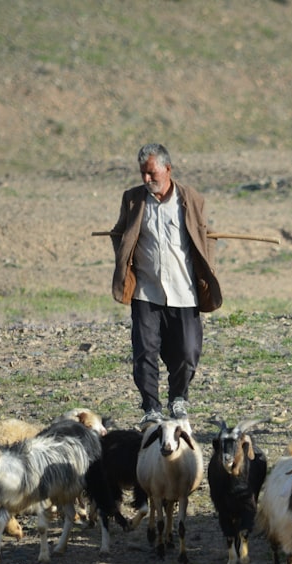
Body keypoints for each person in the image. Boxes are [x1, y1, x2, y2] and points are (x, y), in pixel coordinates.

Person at [110, 143, 222, 426]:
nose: (146, 180)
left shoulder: (191, 199)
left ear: (167, 169)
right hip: (147, 291)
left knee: (187, 351)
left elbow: (205, 237)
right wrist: (126, 264)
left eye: (151, 173)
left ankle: (179, 397)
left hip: (184, 291)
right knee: (144, 350)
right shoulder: (133, 199)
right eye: (142, 174)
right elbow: (119, 234)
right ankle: (151, 407)